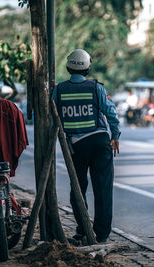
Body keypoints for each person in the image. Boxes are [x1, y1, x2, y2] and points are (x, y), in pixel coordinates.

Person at [53, 49, 120, 243]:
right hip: (100, 143)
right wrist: (115, 136)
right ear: (88, 68)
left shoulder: (59, 90)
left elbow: (52, 118)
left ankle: (82, 229)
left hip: (75, 147)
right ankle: (102, 234)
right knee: (103, 189)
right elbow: (111, 113)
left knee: (78, 188)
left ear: (68, 67)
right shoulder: (96, 88)